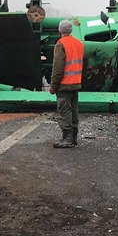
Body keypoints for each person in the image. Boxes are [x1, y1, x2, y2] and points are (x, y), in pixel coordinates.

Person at [50, 19, 84, 148]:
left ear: (60, 30)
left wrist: (53, 86)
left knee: (64, 111)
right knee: (73, 110)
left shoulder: (61, 44)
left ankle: (67, 139)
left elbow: (57, 68)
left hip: (64, 84)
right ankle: (73, 137)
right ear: (71, 30)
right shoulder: (79, 43)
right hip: (75, 83)